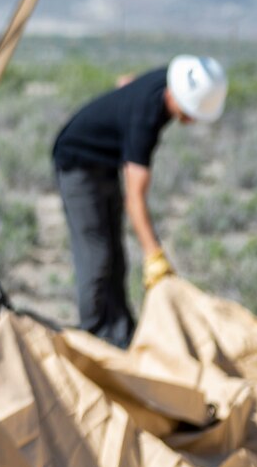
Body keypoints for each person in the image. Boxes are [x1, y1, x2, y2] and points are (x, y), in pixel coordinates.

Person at [52, 54, 227, 348]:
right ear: (174, 95)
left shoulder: (168, 80)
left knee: (116, 257)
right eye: (187, 113)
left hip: (104, 162)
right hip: (76, 163)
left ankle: (120, 333)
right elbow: (135, 198)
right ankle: (93, 338)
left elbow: (127, 81)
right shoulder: (146, 117)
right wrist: (154, 254)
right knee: (96, 256)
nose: (189, 120)